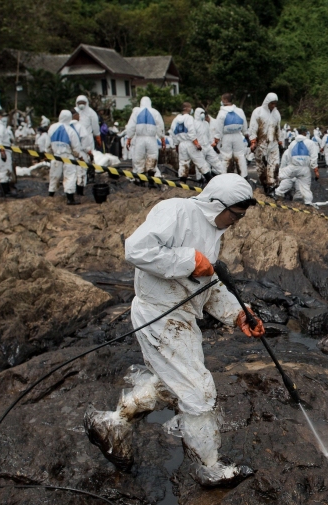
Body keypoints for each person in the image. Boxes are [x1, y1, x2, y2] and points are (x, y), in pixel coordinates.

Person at [84, 174, 263, 486]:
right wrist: (188, 260)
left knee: (172, 383)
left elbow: (205, 282)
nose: (236, 222)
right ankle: (210, 467)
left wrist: (238, 314)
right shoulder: (177, 211)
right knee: (198, 391)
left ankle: (113, 423)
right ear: (217, 204)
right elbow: (136, 249)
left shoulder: (213, 230)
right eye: (235, 214)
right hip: (159, 313)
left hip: (179, 317)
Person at [44, 110, 82, 205]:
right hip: (68, 156)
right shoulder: (70, 130)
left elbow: (48, 144)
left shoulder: (52, 127)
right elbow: (76, 147)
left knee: (54, 175)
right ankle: (70, 199)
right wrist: (77, 156)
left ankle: (50, 196)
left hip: (56, 156)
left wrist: (49, 153)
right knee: (69, 176)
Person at [274, 126, 320, 205]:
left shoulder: (292, 143)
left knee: (282, 177)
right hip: (304, 168)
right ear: (305, 133)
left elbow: (289, 157)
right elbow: (314, 158)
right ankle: (307, 202)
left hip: (293, 167)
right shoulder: (310, 143)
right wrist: (316, 171)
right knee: (305, 187)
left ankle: (276, 193)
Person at [248, 93, 282, 194]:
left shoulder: (276, 114)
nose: (273, 106)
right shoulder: (258, 112)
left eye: (275, 104)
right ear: (267, 102)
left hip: (273, 143)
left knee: (274, 164)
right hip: (261, 143)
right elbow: (253, 127)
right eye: (272, 103)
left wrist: (280, 141)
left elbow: (278, 128)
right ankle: (264, 185)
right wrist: (253, 141)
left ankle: (272, 187)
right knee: (261, 166)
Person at [214, 93, 248, 176]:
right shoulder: (240, 111)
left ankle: (225, 176)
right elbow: (245, 125)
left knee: (226, 157)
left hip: (226, 136)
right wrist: (246, 135)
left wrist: (216, 140)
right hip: (238, 135)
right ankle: (243, 176)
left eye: (222, 100)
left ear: (225, 100)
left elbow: (218, 128)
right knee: (240, 156)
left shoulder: (222, 113)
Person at [170, 102, 197, 181]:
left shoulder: (175, 120)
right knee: (198, 160)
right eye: (190, 107)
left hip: (181, 143)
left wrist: (176, 145)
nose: (191, 109)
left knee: (183, 162)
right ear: (186, 108)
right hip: (190, 142)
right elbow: (192, 131)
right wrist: (196, 143)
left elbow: (173, 133)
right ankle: (205, 178)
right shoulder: (189, 118)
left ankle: (182, 179)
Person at [71, 112, 94, 197]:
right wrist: (89, 151)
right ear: (75, 116)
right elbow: (85, 142)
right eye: (78, 115)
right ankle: (80, 192)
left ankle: (71, 192)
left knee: (71, 172)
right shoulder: (80, 127)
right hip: (80, 152)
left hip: (69, 153)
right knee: (81, 172)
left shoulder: (66, 127)